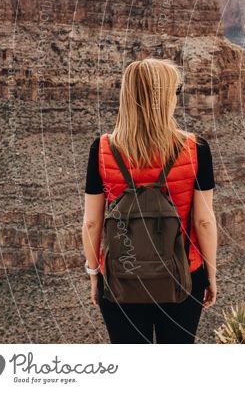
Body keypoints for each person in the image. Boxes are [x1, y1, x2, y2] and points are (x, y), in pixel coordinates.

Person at [81, 57, 218, 343]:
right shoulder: (196, 149)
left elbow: (92, 223)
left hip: (120, 279)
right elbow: (204, 221)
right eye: (175, 92)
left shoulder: (102, 149)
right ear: (165, 97)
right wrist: (211, 275)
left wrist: (95, 273)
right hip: (183, 277)